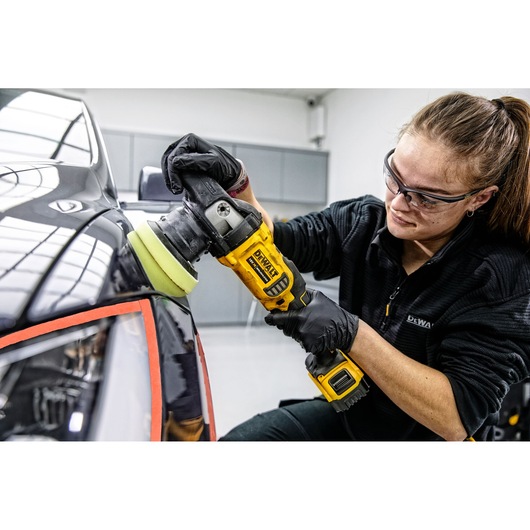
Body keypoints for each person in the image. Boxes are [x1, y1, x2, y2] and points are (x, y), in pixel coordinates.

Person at [161, 92, 530, 441]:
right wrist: (238, 189)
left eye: (426, 197)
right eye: (395, 177)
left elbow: (455, 417)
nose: (398, 204)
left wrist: (352, 334)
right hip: (352, 415)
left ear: (478, 198)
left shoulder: (501, 277)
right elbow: (278, 241)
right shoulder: (362, 222)